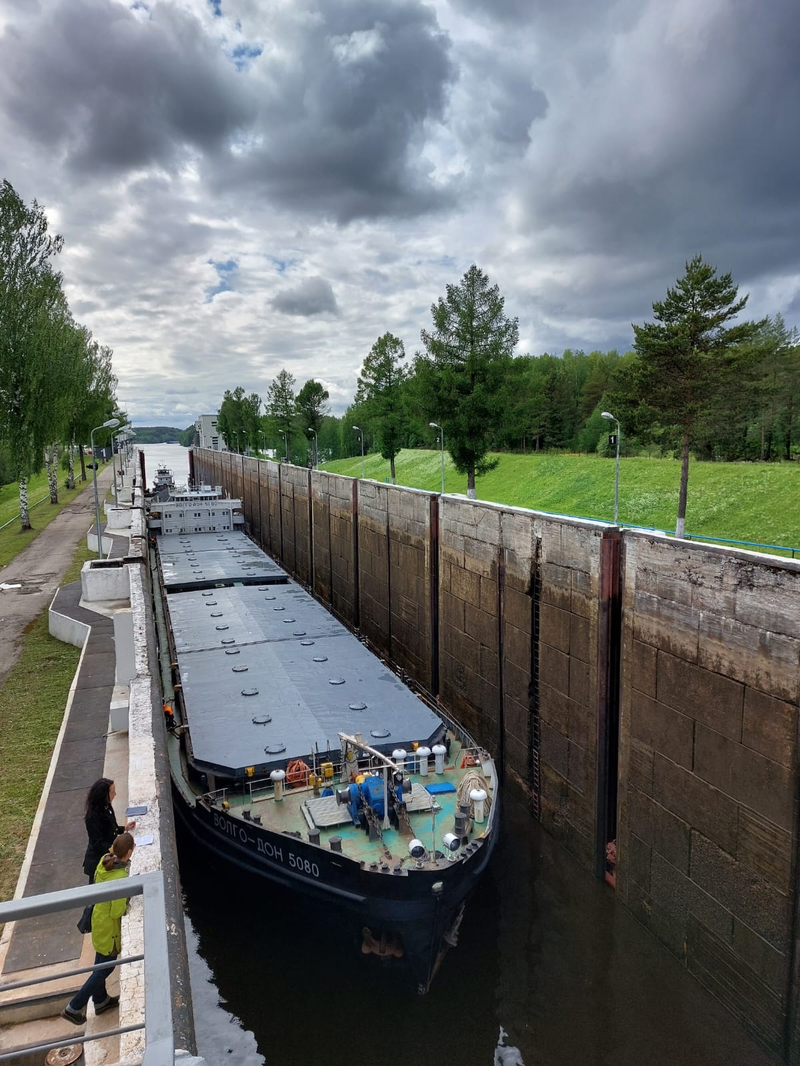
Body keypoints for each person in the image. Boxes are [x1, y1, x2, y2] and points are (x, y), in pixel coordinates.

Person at [62, 833, 135, 1026]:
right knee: (106, 966)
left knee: (100, 963)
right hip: (109, 927)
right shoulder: (120, 877)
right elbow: (117, 910)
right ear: (130, 851)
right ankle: (74, 1006)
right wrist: (129, 898)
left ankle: (100, 1000)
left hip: (98, 920)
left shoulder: (104, 861)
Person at [82, 779, 135, 883]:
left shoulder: (106, 806)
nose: (115, 794)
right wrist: (117, 849)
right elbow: (97, 843)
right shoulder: (92, 817)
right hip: (98, 861)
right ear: (104, 795)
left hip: (109, 855)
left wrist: (123, 828)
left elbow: (110, 827)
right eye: (112, 792)